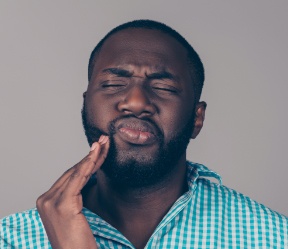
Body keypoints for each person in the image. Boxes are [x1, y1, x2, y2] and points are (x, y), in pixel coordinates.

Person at [0, 19, 287, 249]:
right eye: (113, 83)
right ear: (86, 103)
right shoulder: (11, 240)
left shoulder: (274, 239)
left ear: (197, 118)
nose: (136, 103)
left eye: (163, 88)